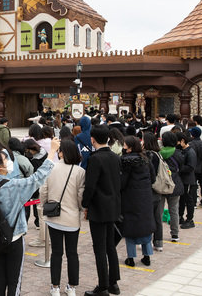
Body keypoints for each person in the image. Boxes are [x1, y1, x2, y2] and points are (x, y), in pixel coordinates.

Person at [0, 139, 58, 296]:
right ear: (0, 167)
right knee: (14, 281)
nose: (9, 162)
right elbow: (37, 178)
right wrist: (51, 153)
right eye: (6, 160)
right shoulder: (13, 186)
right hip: (13, 238)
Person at [40, 139, 85, 296]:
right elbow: (81, 197)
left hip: (54, 217)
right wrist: (79, 209)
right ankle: (71, 287)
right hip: (72, 219)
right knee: (72, 253)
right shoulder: (80, 172)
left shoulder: (51, 168)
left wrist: (45, 204)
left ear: (61, 153)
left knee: (56, 253)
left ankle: (55, 287)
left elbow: (43, 191)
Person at [82, 124, 121, 296]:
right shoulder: (114, 157)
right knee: (110, 246)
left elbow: (90, 186)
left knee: (99, 247)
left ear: (93, 139)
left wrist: (85, 204)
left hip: (98, 207)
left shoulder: (95, 159)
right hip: (113, 205)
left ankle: (103, 286)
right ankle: (113, 283)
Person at [120, 136, 155, 267]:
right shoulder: (146, 159)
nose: (123, 147)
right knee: (145, 226)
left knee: (130, 227)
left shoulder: (125, 161)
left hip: (130, 197)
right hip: (145, 196)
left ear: (129, 147)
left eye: (124, 145)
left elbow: (122, 182)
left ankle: (131, 258)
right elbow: (153, 178)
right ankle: (147, 256)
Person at [156, 131, 184, 242]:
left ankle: (158, 236)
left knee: (159, 211)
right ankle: (175, 234)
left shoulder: (159, 153)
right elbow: (181, 167)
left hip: (161, 185)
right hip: (175, 184)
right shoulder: (178, 153)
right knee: (174, 211)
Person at [176, 132, 197, 229]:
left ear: (183, 141)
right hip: (182, 180)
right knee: (182, 199)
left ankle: (190, 219)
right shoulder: (183, 150)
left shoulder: (190, 152)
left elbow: (190, 167)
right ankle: (180, 217)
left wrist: (179, 168)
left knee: (189, 200)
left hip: (188, 180)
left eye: (178, 142)